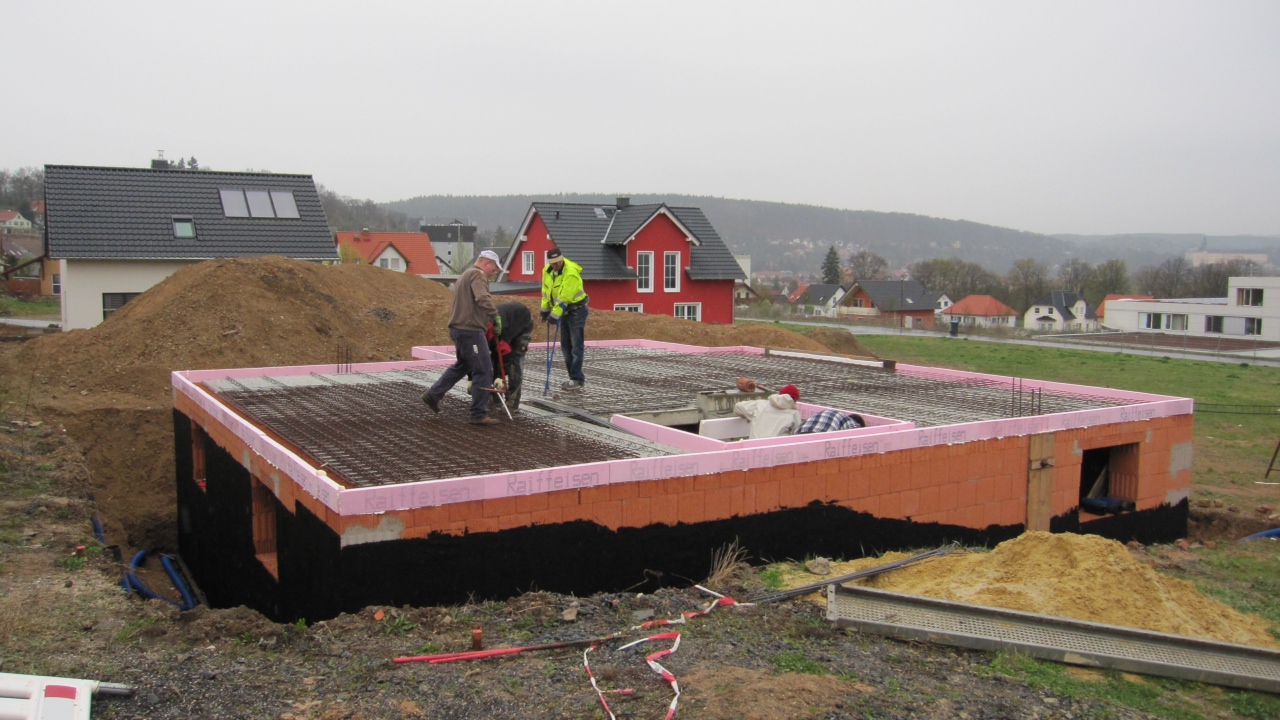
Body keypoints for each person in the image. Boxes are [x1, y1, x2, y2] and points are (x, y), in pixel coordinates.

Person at [423, 250, 504, 426]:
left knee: (463, 365)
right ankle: (479, 414)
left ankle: (433, 395)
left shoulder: (465, 275)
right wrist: (495, 315)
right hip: (471, 330)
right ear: (487, 263)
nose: (493, 273)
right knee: (484, 369)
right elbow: (482, 297)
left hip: (459, 329)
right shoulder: (478, 275)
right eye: (494, 269)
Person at [540, 248, 588, 391]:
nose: (557, 265)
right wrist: (544, 311)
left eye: (558, 262)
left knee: (576, 347)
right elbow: (546, 293)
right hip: (564, 312)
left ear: (562, 259)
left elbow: (564, 298)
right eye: (553, 263)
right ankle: (573, 377)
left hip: (576, 310)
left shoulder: (570, 272)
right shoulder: (547, 271)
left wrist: (554, 316)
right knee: (566, 347)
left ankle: (577, 379)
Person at [488, 301, 534, 411]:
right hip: (508, 324)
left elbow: (507, 354)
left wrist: (500, 376)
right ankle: (496, 398)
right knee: (493, 360)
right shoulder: (479, 331)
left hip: (522, 325)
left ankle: (513, 402)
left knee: (515, 364)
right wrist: (471, 377)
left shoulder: (498, 330)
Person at [733, 384, 802, 439]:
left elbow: (737, 407)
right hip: (776, 450)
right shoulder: (794, 414)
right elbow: (797, 434)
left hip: (753, 446)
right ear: (795, 400)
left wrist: (748, 415)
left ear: (779, 395)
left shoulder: (760, 404)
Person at [797, 409, 864, 434]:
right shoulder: (852, 423)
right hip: (819, 434)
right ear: (859, 425)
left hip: (799, 431)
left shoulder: (833, 412)